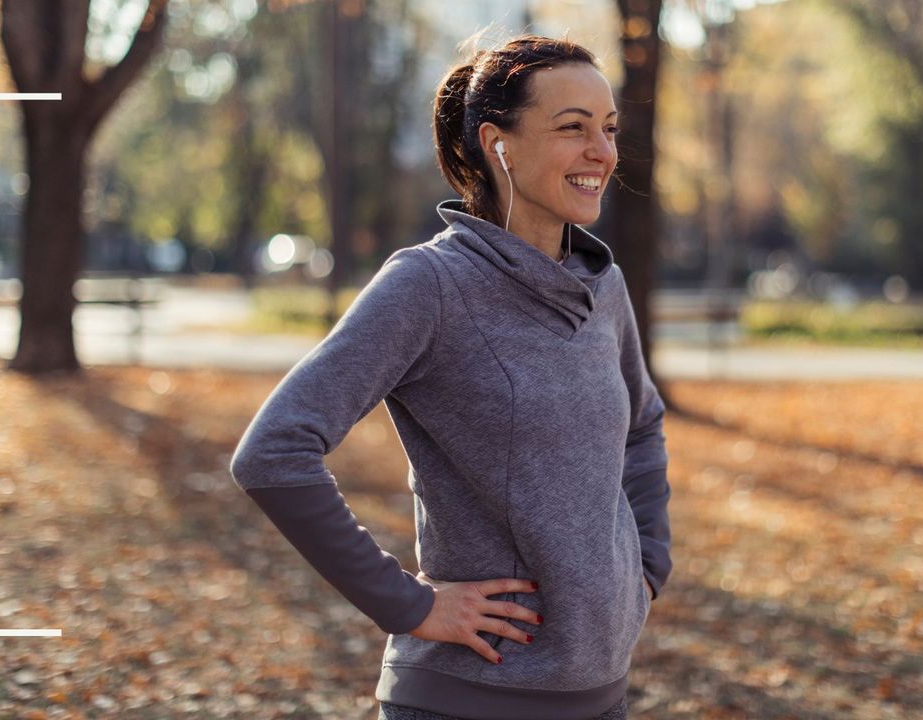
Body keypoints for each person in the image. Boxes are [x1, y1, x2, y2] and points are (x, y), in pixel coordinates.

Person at [228, 33, 671, 720]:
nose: (602, 153)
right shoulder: (430, 284)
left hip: (599, 695)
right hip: (468, 700)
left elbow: (641, 425)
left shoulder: (601, 286)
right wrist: (408, 604)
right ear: (499, 145)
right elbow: (273, 452)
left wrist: (644, 569)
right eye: (572, 129)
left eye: (608, 130)